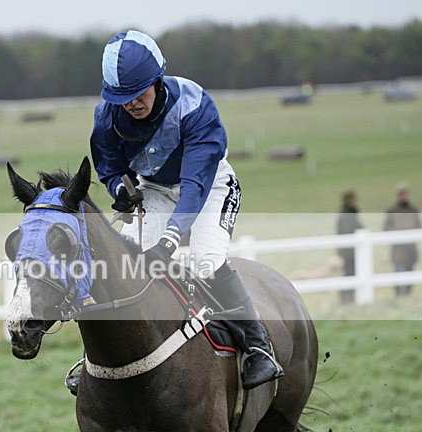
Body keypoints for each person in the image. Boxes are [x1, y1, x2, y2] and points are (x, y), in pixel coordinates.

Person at [84, 29, 283, 390]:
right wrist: (119, 190)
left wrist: (171, 242)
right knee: (126, 259)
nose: (131, 104)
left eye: (138, 92)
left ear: (157, 80)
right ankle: (98, 359)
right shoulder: (107, 117)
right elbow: (110, 167)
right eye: (123, 97)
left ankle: (257, 346)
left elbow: (194, 187)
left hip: (208, 186)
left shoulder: (194, 105)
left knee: (206, 260)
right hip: (155, 188)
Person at [383, 185, 422, 296]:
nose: (403, 197)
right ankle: (399, 295)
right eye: (401, 195)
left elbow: (419, 225)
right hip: (398, 248)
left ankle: (408, 294)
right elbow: (386, 227)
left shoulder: (413, 209)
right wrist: (397, 234)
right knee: (398, 272)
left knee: (410, 272)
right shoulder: (392, 210)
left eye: (405, 194)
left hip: (411, 248)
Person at [335, 191, 363, 304]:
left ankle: (349, 300)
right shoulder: (347, 216)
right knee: (349, 276)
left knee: (351, 276)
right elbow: (347, 234)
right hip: (349, 254)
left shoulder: (349, 215)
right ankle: (346, 300)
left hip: (350, 253)